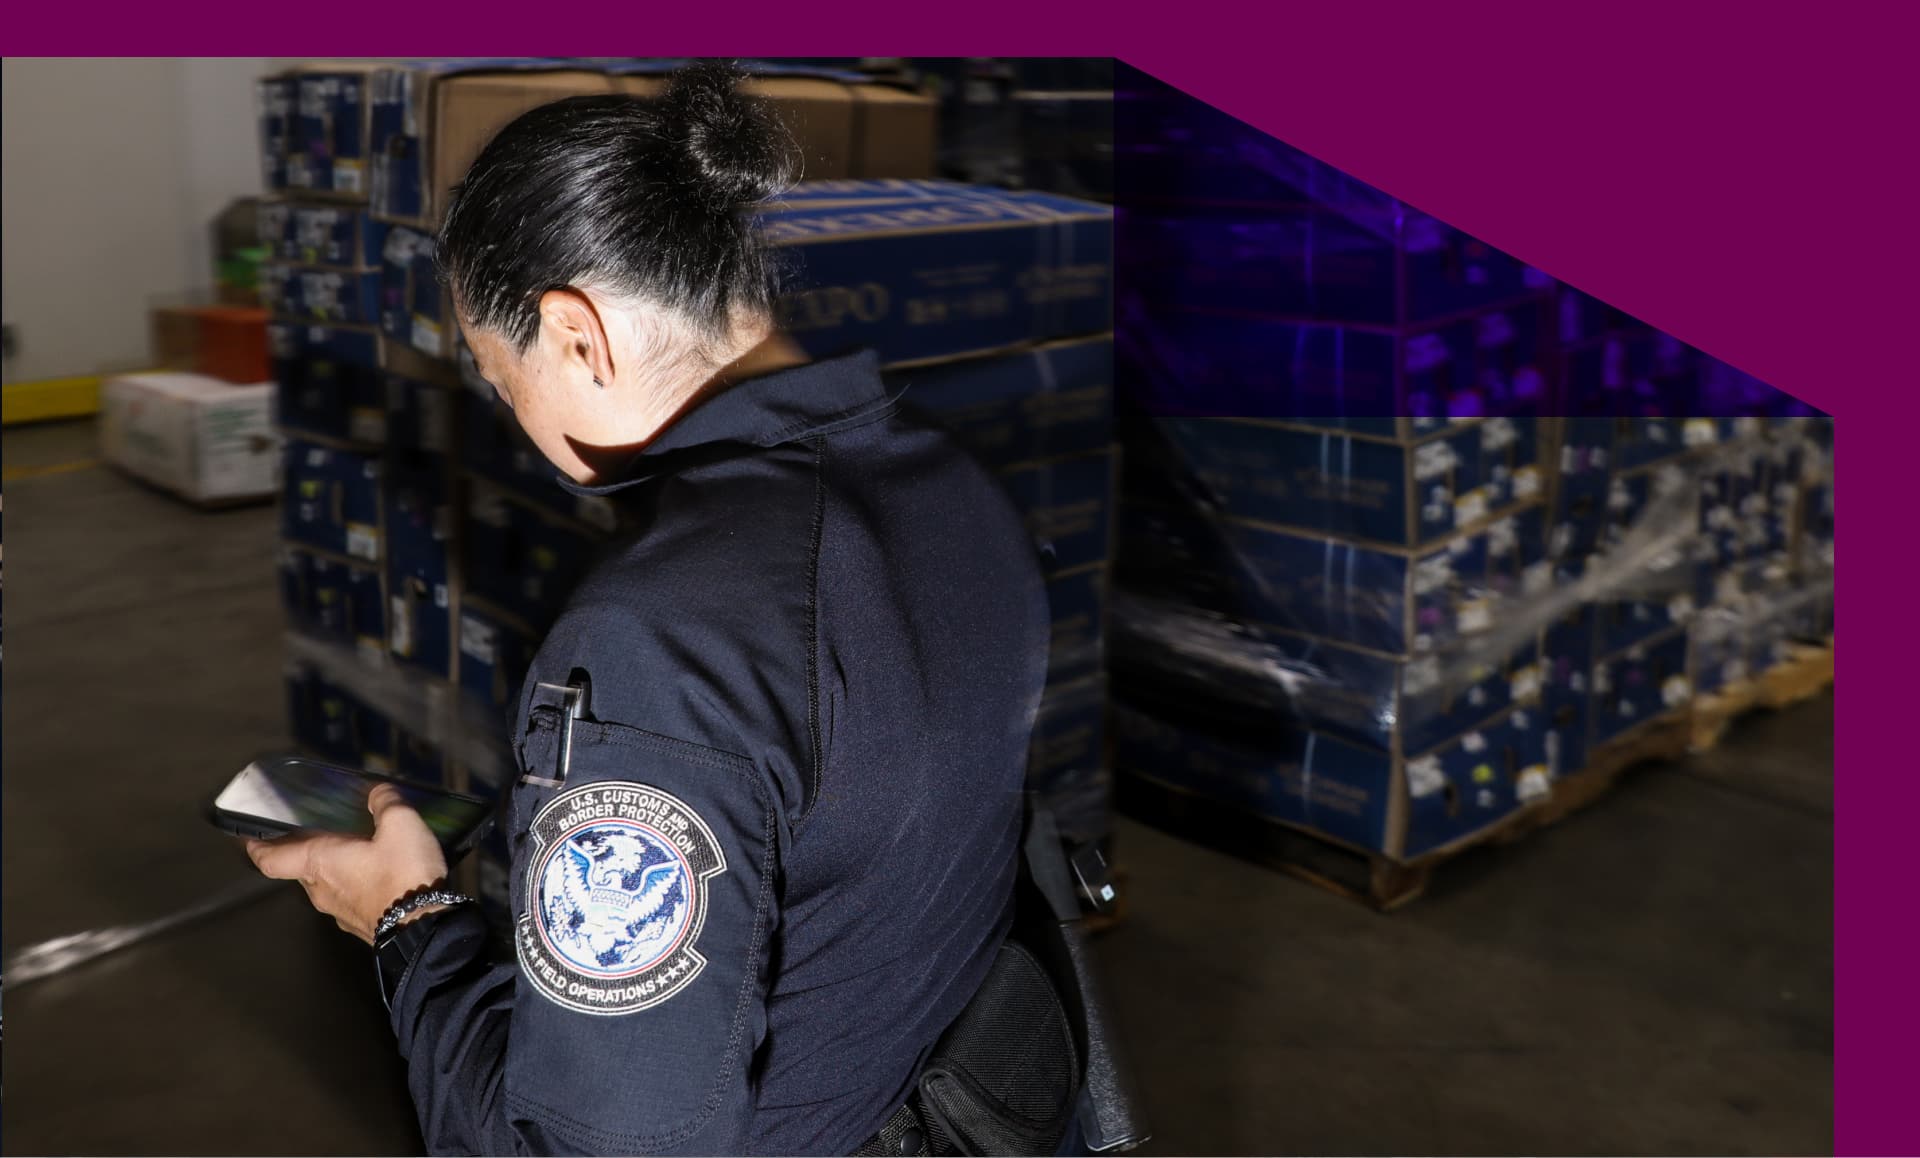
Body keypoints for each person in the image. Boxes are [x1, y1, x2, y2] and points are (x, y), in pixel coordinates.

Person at [245, 61, 1051, 1156]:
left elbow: (587, 1147)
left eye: (496, 374)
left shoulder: (657, 642)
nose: (509, 411)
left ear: (578, 334)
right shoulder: (952, 489)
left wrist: (407, 922)